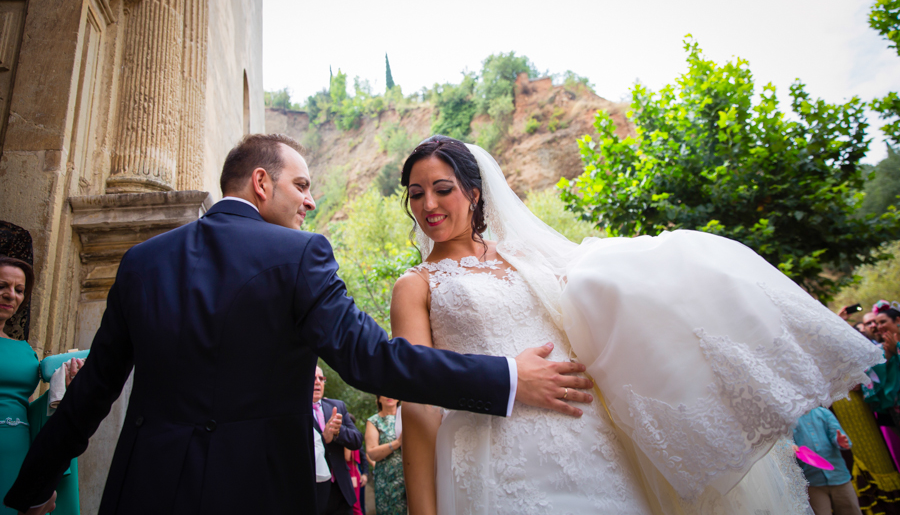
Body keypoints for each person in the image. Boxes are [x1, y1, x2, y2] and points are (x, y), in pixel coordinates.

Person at [4, 134, 593, 515]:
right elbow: (373, 362)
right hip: (260, 493)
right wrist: (506, 378)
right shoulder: (299, 255)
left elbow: (92, 394)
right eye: (302, 185)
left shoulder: (142, 262)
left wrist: (33, 487)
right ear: (262, 183)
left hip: (146, 490)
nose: (309, 203)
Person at [391, 136, 884, 515]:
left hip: (590, 444)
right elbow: (418, 406)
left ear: (475, 193)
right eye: (416, 194)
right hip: (489, 456)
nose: (429, 205)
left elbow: (604, 311)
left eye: (442, 189)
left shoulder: (531, 259)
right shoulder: (415, 286)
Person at [0, 257, 82, 515]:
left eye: (19, 289)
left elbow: (25, 408)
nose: (10, 295)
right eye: (2, 285)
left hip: (20, 449)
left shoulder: (24, 350)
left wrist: (59, 396)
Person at [793, 407, 863, 515]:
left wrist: (840, 441)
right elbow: (784, 442)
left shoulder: (823, 412)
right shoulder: (786, 421)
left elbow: (837, 433)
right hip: (813, 482)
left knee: (851, 511)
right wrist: (788, 447)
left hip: (839, 477)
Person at [312, 365, 362, 515]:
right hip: (314, 491)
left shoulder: (337, 406)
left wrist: (337, 432)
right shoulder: (296, 413)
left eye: (321, 379)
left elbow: (357, 440)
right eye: (313, 378)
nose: (318, 382)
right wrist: (323, 438)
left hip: (341, 492)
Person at [365, 396, 405, 514]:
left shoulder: (407, 418)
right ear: (379, 398)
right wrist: (396, 443)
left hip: (409, 478)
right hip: (387, 481)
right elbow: (372, 453)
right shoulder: (374, 421)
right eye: (385, 392)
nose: (389, 396)